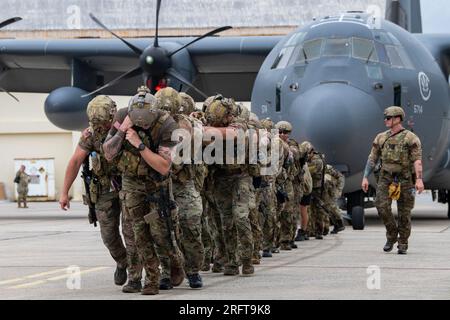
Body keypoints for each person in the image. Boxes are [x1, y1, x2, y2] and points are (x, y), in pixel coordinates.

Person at [103, 86, 182, 295]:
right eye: (139, 123)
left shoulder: (168, 125)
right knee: (138, 233)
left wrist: (139, 145)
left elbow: (164, 166)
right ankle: (150, 280)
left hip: (157, 184)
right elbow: (108, 153)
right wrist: (122, 131)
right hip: (131, 182)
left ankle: (175, 262)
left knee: (161, 234)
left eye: (146, 123)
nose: (142, 126)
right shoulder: (122, 116)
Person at [59, 95, 141, 289]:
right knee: (108, 235)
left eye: (105, 123)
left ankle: (135, 277)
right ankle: (122, 262)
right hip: (104, 188)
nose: (102, 128)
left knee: (131, 232)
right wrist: (64, 193)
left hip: (128, 185)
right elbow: (76, 161)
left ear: (113, 115)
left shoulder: (129, 127)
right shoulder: (91, 133)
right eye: (98, 124)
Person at [362, 106, 423, 254]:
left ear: (397, 119)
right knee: (381, 206)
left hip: (405, 179)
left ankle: (402, 242)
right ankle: (392, 234)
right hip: (385, 177)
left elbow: (417, 160)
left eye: (388, 118)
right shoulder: (381, 137)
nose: (386, 120)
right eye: (385, 118)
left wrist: (419, 179)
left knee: (404, 213)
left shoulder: (410, 138)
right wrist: (365, 177)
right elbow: (372, 159)